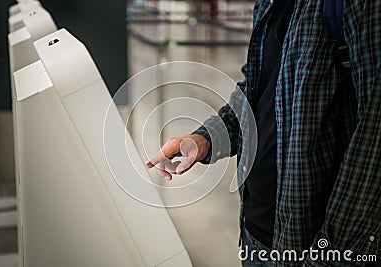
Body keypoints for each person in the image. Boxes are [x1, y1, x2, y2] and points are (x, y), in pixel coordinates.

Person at [146, 0, 381, 266]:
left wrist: (333, 256)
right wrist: (205, 139)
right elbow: (257, 87)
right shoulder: (270, 4)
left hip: (313, 246)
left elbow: (374, 139)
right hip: (257, 233)